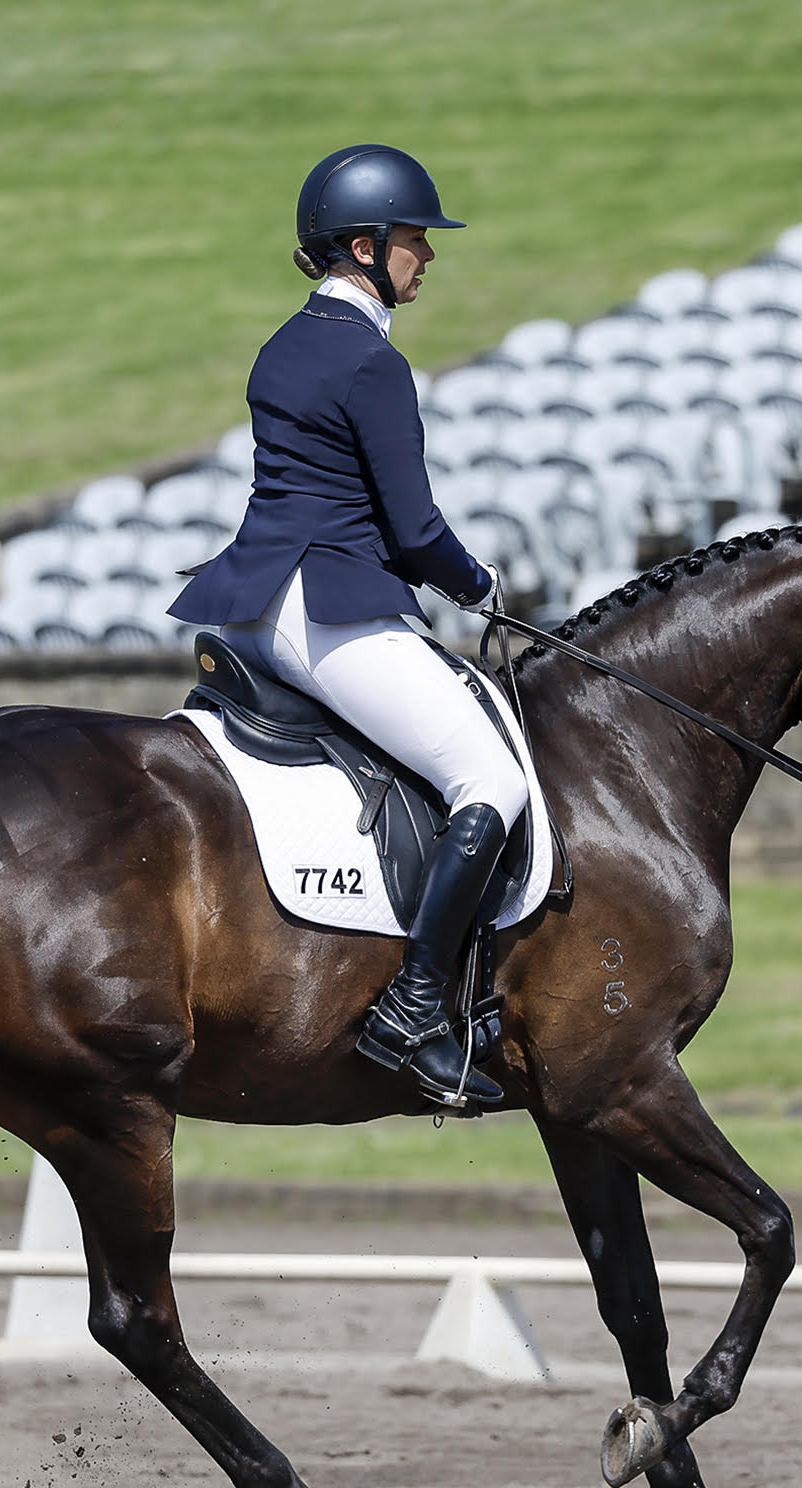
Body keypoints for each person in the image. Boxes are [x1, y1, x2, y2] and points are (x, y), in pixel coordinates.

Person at [169, 143, 527, 1108]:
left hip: (255, 599)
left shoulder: (285, 343)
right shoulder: (374, 362)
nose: (428, 255)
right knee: (489, 777)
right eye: (415, 238)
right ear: (365, 246)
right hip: (329, 604)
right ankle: (413, 1012)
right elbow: (413, 530)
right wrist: (481, 583)